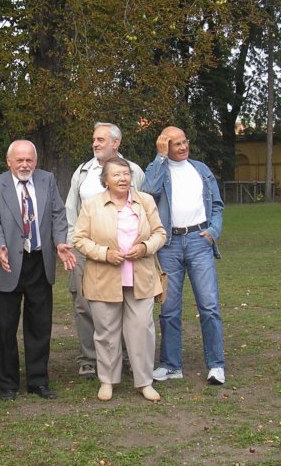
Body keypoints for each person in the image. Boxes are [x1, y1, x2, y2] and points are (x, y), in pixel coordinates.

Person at [0, 140, 76, 401]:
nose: (25, 165)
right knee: (5, 326)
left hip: (39, 262)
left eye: (29, 160)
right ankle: (7, 384)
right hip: (9, 262)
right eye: (20, 160)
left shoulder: (47, 180)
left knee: (39, 325)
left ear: (36, 161)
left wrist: (59, 242)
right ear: (9, 161)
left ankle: (38, 381)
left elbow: (58, 214)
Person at [73, 157, 166, 402]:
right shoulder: (91, 205)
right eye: (116, 175)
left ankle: (144, 382)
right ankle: (107, 381)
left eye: (126, 174)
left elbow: (160, 233)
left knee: (142, 330)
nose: (123, 178)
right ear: (105, 180)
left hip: (141, 277)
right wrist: (104, 254)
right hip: (103, 278)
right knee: (106, 332)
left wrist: (145, 248)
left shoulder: (145, 201)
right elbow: (79, 239)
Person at [143, 126, 226, 385]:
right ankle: (171, 365)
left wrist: (213, 231)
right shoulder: (159, 169)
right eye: (176, 144)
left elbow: (217, 205)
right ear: (164, 146)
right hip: (169, 244)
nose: (183, 147)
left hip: (200, 241)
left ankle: (216, 365)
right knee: (168, 309)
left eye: (184, 141)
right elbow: (148, 191)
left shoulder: (200, 169)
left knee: (209, 306)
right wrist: (160, 157)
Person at [65, 122, 145, 379]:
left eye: (100, 140)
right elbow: (70, 209)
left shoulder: (133, 171)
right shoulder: (82, 171)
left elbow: (142, 207)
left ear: (115, 143)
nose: (95, 143)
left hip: (124, 252)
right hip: (85, 249)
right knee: (84, 304)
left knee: (125, 302)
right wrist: (71, 245)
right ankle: (89, 358)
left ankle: (126, 357)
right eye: (94, 139)